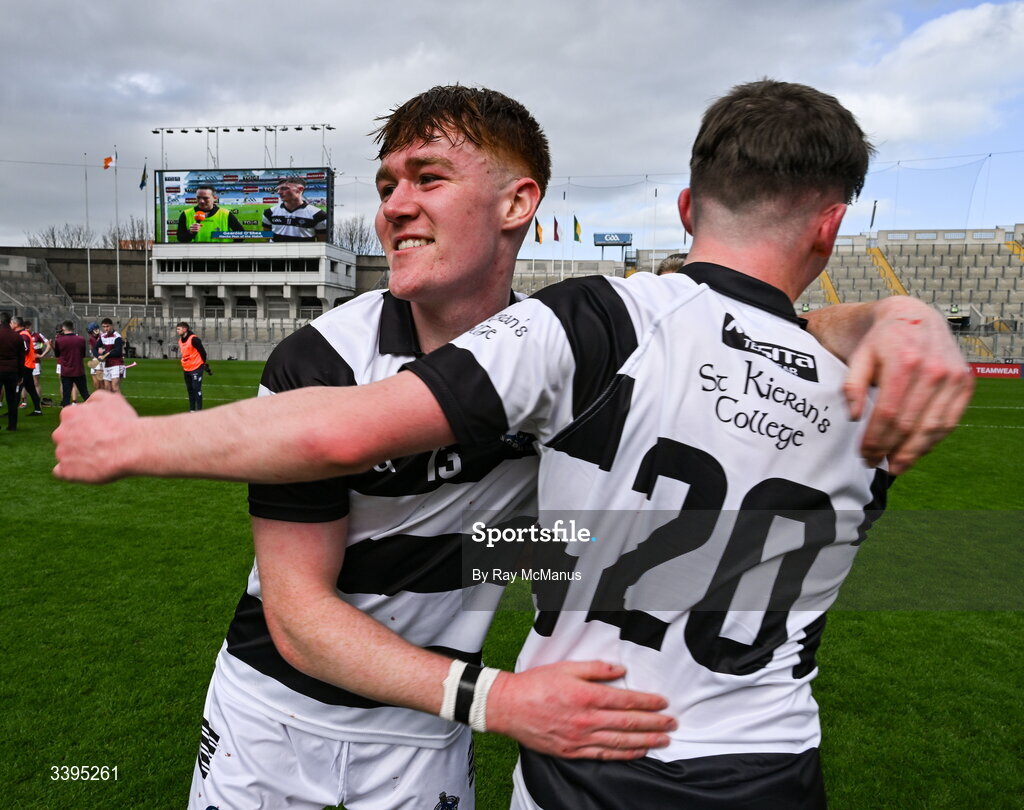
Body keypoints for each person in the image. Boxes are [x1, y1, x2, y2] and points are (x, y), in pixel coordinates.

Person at [53, 82, 973, 808]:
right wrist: (495, 693)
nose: (394, 207)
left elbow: (726, 326)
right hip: (278, 710)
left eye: (428, 178)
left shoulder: (574, 351)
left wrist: (898, 313)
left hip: (426, 730)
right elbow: (298, 615)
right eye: (385, 185)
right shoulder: (320, 355)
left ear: (518, 201)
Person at [262, 177, 328, 242]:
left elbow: (322, 243)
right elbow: (266, 237)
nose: (279, 192)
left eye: (284, 188)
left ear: (300, 189)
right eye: (278, 189)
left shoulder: (318, 215)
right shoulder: (269, 212)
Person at [176, 185, 245, 243]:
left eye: (205, 198)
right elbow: (181, 239)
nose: (201, 201)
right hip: (196, 254)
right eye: (198, 198)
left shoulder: (225, 214)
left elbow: (241, 234)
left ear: (214, 198)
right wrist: (190, 233)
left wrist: (229, 249)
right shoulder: (186, 214)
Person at [52, 321, 90, 407]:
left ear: (63, 328)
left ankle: (66, 416)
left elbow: (57, 355)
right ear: (73, 328)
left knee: (66, 396)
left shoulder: (59, 340)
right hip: (78, 370)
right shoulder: (81, 339)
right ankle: (93, 414)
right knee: (85, 393)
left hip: (66, 371)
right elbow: (83, 354)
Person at [11, 316, 42, 415]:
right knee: (30, 388)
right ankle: (38, 410)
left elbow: (25, 349)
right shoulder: (23, 334)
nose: (10, 325)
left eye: (11, 323)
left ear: (16, 324)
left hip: (25, 366)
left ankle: (12, 412)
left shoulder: (23, 335)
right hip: (27, 365)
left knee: (17, 388)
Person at [175, 322, 209, 412]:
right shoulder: (180, 340)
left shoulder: (194, 339)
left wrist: (203, 364)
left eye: (179, 329)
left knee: (196, 388)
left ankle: (199, 411)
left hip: (196, 367)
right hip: (186, 368)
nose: (177, 331)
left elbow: (203, 353)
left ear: (185, 329)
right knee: (190, 390)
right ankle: (192, 409)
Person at [0, 311, 25, 432]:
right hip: (12, 371)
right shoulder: (17, 336)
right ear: (10, 322)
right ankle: (12, 425)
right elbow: (21, 357)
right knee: (12, 399)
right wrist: (20, 375)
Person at [93, 318, 126, 394]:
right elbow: (94, 348)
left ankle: (119, 405)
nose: (105, 329)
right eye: (104, 327)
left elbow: (118, 352)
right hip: (107, 364)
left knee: (114, 387)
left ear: (112, 326)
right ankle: (110, 405)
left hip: (116, 364)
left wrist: (104, 353)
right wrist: (98, 356)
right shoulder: (103, 336)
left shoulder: (117, 337)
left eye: (107, 326)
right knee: (107, 388)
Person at [85, 322, 103, 392]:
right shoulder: (92, 338)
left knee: (101, 382)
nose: (90, 334)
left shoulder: (102, 336)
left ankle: (103, 399)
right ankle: (97, 398)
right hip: (94, 360)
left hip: (100, 361)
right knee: (95, 384)